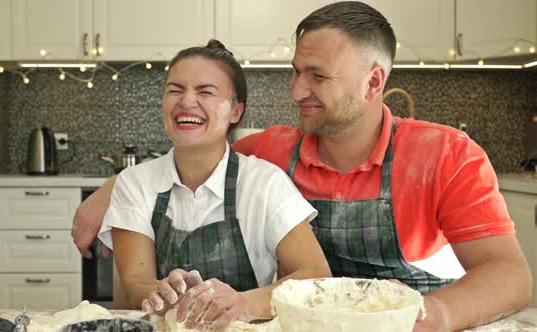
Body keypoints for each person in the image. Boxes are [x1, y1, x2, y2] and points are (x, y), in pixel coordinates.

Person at [74, 2, 532, 331]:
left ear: (374, 80)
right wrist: (109, 190)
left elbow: (508, 276)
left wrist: (429, 318)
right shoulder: (273, 151)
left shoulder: (446, 156)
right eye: (296, 71)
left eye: (318, 75)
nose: (296, 90)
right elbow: (192, 153)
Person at [96, 39, 331, 330]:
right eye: (175, 90)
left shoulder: (264, 183)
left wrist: (246, 303)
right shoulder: (134, 183)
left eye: (205, 91)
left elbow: (316, 274)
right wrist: (159, 293)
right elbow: (134, 282)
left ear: (235, 112)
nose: (186, 101)